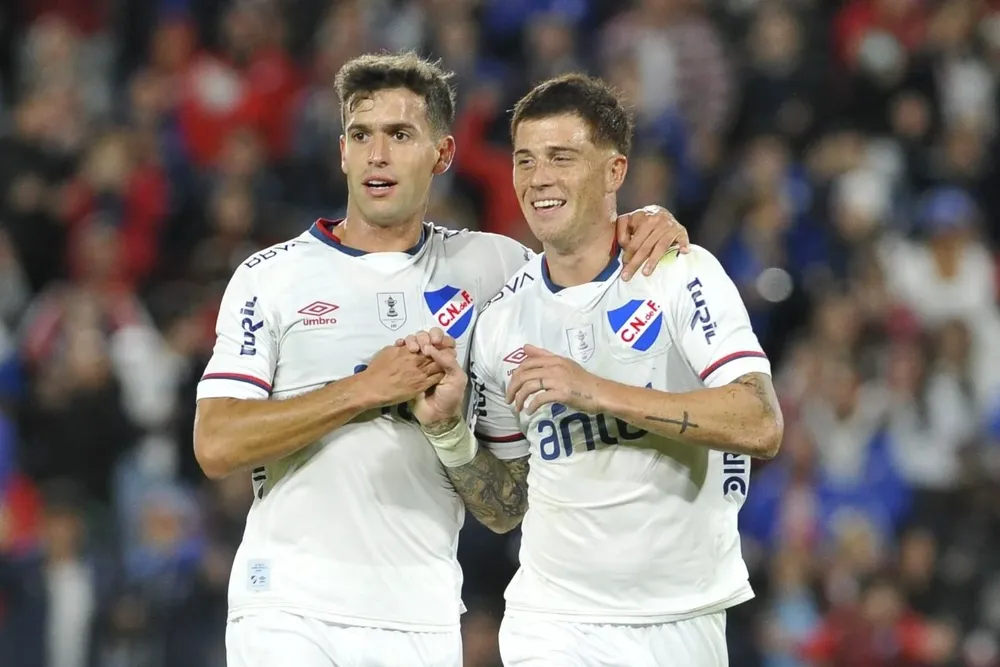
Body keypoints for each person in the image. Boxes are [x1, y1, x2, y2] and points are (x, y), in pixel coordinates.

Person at [192, 53, 690, 667]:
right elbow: (215, 442)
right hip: (287, 603)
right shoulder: (270, 277)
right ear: (342, 152)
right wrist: (363, 390)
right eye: (360, 135)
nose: (377, 154)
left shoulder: (494, 270)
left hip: (420, 615)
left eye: (400, 135)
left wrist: (644, 221)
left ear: (443, 154)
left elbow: (505, 509)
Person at [405, 73, 784, 666]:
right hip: (554, 620)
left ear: (614, 172)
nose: (539, 179)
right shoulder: (503, 322)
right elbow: (506, 508)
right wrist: (449, 432)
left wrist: (597, 390)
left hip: (683, 615)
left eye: (562, 157)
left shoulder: (679, 272)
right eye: (525, 160)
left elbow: (760, 422)